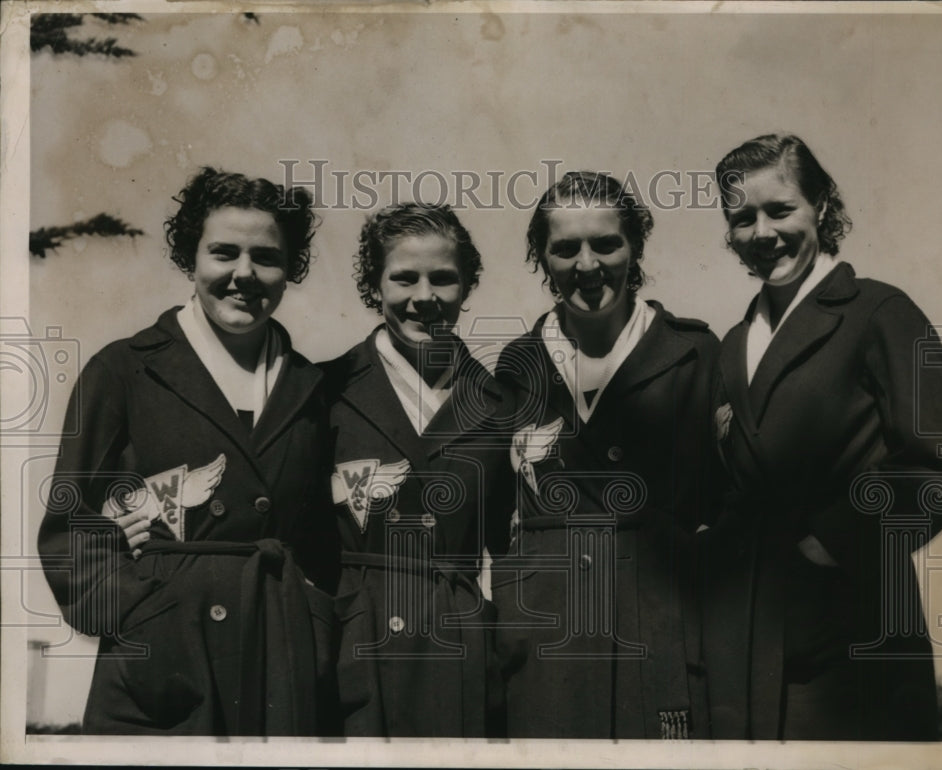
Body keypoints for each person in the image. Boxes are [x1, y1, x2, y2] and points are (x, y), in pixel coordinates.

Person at [37, 167, 339, 735]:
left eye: (266, 257)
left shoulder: (312, 388)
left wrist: (314, 622)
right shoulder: (124, 369)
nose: (244, 275)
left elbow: (324, 539)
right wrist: (139, 613)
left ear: (289, 269)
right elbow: (67, 528)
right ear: (190, 257)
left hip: (280, 660)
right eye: (224, 252)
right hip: (160, 673)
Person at [703, 133, 942, 740]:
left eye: (780, 210)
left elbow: (940, 472)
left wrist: (830, 538)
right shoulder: (729, 349)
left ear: (821, 206)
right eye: (742, 219)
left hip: (857, 639)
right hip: (750, 644)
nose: (762, 233)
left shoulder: (881, 313)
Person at [491, 171, 720, 739]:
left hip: (661, 635)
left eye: (606, 244)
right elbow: (497, 518)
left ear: (635, 247)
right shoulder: (515, 368)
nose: (587, 265)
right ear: (542, 258)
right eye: (565, 248)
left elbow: (729, 500)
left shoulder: (693, 353)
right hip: (550, 642)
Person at [323, 202, 513, 737]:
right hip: (355, 648)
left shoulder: (499, 403)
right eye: (404, 277)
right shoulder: (325, 393)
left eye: (443, 279)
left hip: (461, 650)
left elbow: (509, 543)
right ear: (374, 284)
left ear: (467, 286)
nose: (424, 298)